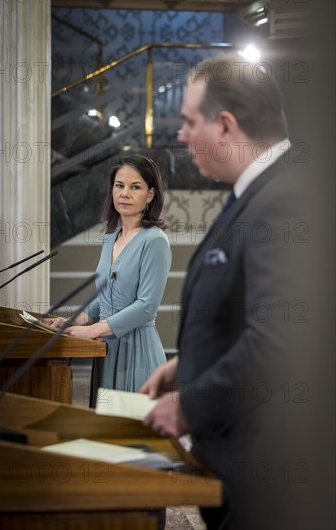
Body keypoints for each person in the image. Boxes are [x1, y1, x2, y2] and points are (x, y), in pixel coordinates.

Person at [140, 52, 311, 529]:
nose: (181, 136)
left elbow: (281, 341)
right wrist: (188, 364)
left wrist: (190, 404)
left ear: (227, 126)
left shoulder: (286, 200)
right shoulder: (255, 193)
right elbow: (243, 313)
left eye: (191, 122)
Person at [47, 154, 171, 405]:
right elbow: (102, 298)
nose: (124, 193)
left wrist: (92, 330)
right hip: (106, 350)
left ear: (150, 195)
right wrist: (70, 322)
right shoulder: (111, 237)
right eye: (119, 185)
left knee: (131, 438)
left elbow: (146, 307)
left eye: (135, 187)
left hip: (137, 353)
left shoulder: (154, 241)